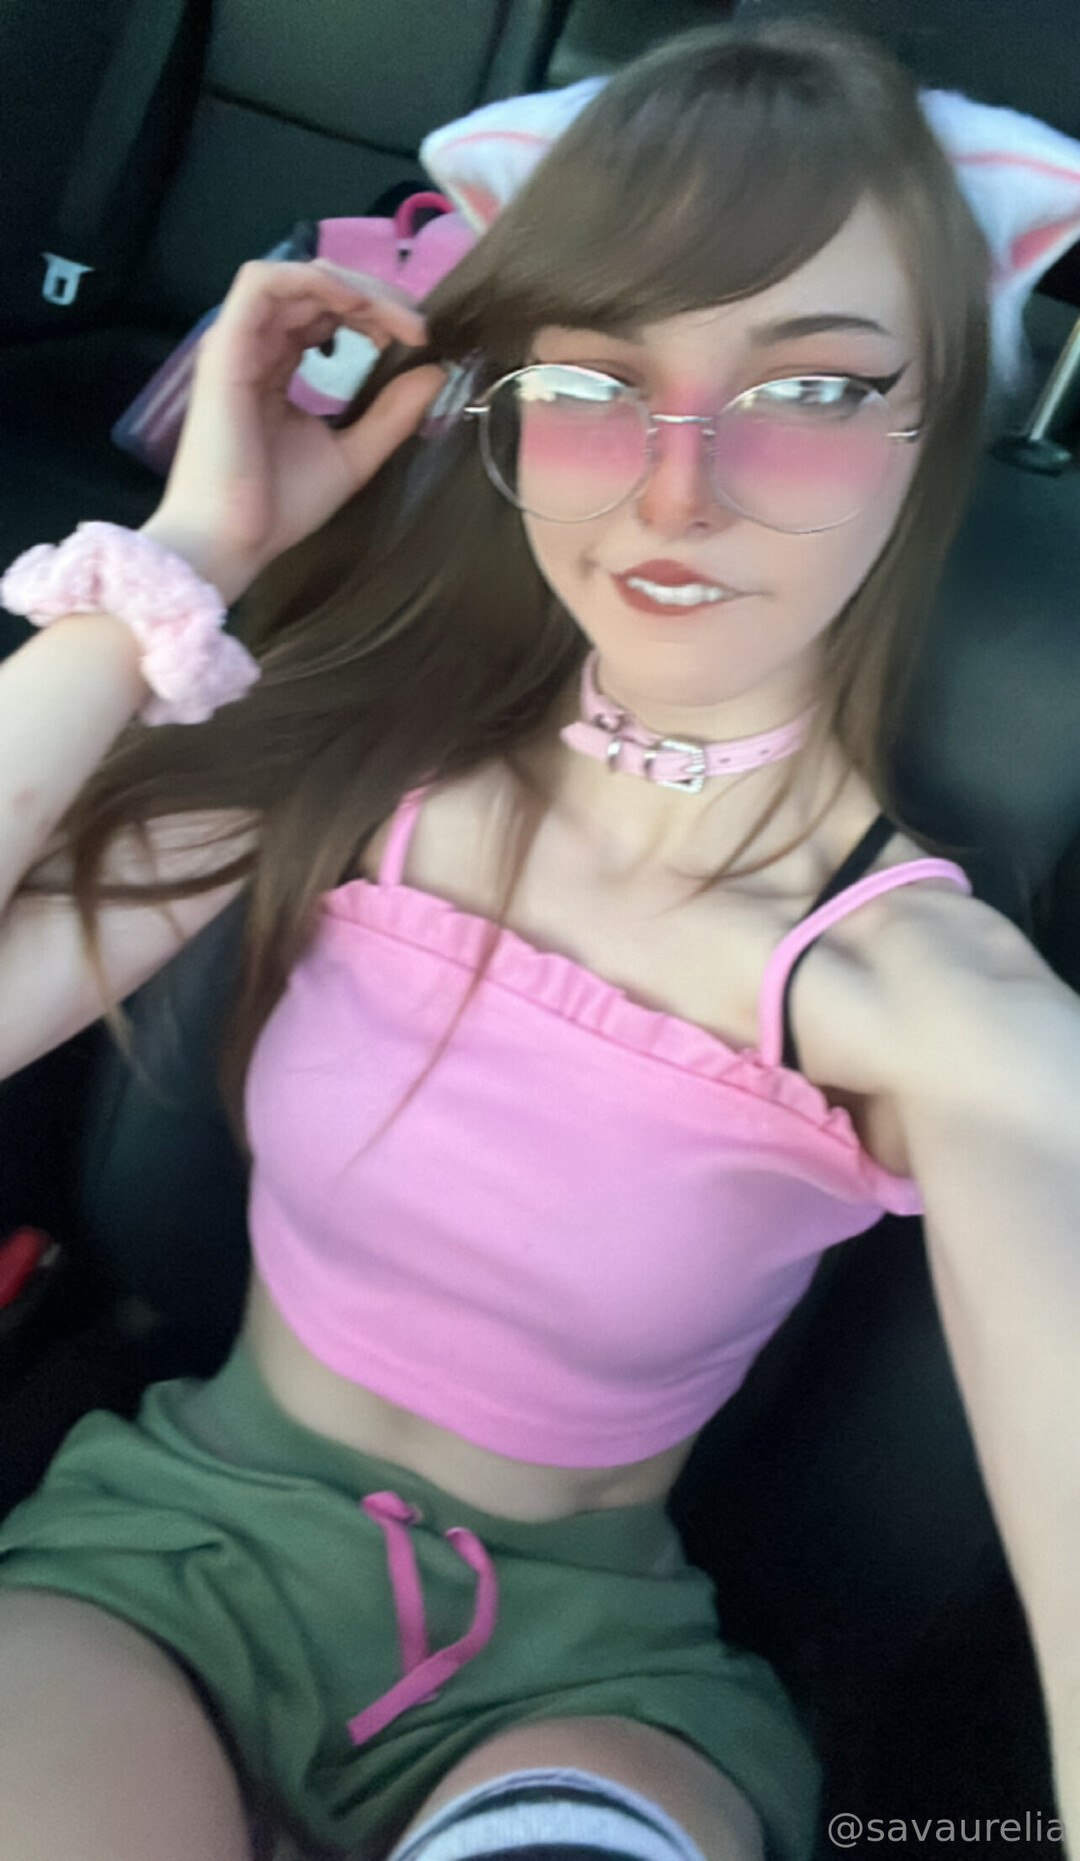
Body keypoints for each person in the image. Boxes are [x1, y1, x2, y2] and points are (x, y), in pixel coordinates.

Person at [0, 16, 1077, 1861]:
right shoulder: (363, 774)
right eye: (594, 382)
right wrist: (197, 549)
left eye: (812, 392)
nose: (677, 489)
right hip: (157, 1566)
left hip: (588, 1682)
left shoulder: (931, 1004)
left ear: (932, 428)